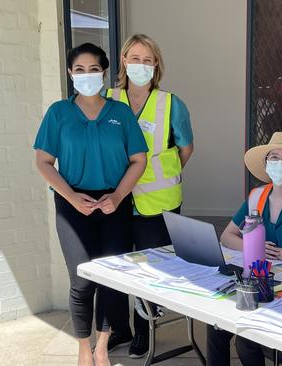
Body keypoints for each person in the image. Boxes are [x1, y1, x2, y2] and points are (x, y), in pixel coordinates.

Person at [33, 43, 147, 366]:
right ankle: (84, 349)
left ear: (105, 72)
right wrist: (71, 197)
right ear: (70, 74)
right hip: (73, 205)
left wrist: (118, 196)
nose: (86, 76)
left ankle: (101, 346)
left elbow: (138, 160)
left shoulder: (120, 114)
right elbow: (42, 162)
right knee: (82, 281)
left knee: (110, 278)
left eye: (93, 69)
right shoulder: (59, 113)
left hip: (115, 203)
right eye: (79, 70)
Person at [104, 34, 194, 359]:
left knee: (149, 271)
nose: (140, 65)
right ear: (123, 61)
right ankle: (119, 328)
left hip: (156, 204)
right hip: (113, 201)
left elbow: (185, 148)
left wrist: (159, 173)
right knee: (113, 267)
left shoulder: (171, 104)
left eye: (147, 59)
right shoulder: (107, 99)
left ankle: (144, 331)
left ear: (155, 65)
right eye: (134, 58)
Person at [208, 131, 282, 366]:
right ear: (266, 163)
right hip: (254, 277)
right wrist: (253, 246)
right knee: (216, 325)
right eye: (273, 157)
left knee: (245, 340)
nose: (279, 163)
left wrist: (275, 253)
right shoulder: (256, 196)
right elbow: (227, 236)